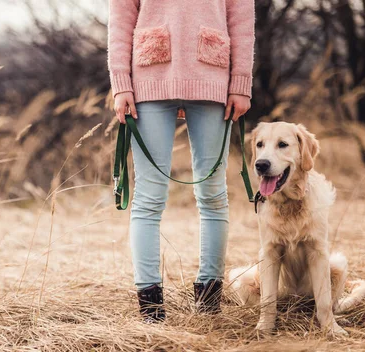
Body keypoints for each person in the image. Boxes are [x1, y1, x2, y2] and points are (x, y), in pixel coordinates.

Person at [108, 0, 255, 322]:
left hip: (213, 78)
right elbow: (121, 20)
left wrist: (241, 83)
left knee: (213, 195)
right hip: (149, 79)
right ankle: (150, 306)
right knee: (148, 198)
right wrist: (121, 85)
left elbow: (241, 20)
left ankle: (208, 299)